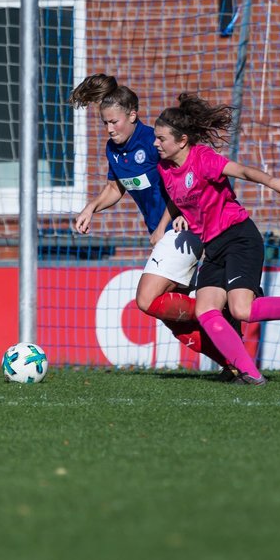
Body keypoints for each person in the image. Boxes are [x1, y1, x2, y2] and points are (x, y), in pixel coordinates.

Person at [154, 92, 280, 386]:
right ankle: (251, 374)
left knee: (241, 309)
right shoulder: (165, 169)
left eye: (161, 139)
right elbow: (179, 199)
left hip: (239, 237)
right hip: (213, 247)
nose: (156, 143)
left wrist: (274, 182)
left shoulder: (203, 159)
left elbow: (243, 170)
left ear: (182, 140)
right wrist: (170, 222)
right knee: (206, 310)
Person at [70, 74, 235, 373]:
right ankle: (231, 361)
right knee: (172, 319)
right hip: (166, 233)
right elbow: (115, 188)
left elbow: (185, 179)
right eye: (104, 123)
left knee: (147, 300)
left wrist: (169, 221)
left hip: (183, 228)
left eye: (114, 122)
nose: (109, 129)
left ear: (132, 115)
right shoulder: (114, 149)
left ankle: (212, 310)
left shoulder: (153, 141)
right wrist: (91, 207)